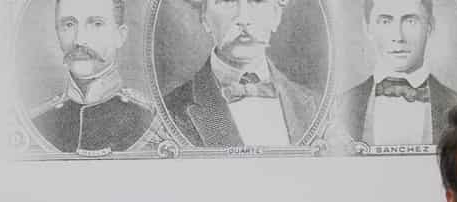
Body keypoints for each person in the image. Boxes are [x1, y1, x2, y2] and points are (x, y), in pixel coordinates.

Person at [163, 0, 320, 148]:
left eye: (258, 1)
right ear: (204, 17)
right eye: (227, 1)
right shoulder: (169, 112)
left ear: (276, 15)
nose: (243, 19)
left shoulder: (316, 106)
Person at [30, 0, 154, 154]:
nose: (79, 40)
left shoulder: (150, 118)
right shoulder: (37, 121)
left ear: (120, 36)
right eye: (68, 25)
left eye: (96, 24)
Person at [334, 0, 457, 146]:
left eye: (410, 21)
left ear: (430, 27)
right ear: (368, 28)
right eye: (385, 21)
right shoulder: (338, 110)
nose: (398, 37)